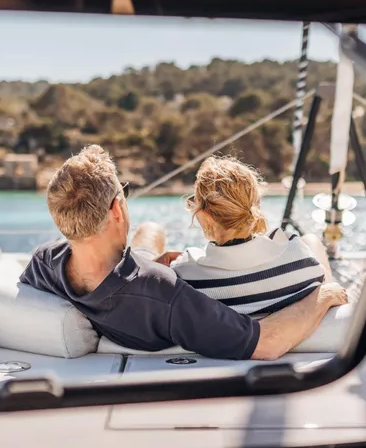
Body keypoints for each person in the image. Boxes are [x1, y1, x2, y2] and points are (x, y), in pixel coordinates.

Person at [19, 145, 348, 361]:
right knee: (150, 234)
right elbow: (268, 342)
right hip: (140, 286)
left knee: (151, 231)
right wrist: (325, 292)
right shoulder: (164, 292)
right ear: (117, 209)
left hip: (125, 275)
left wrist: (149, 263)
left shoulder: (45, 262)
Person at [172, 156, 334, 316]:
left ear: (206, 215)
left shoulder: (186, 278)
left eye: (194, 202)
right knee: (312, 240)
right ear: (256, 204)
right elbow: (325, 287)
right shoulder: (299, 258)